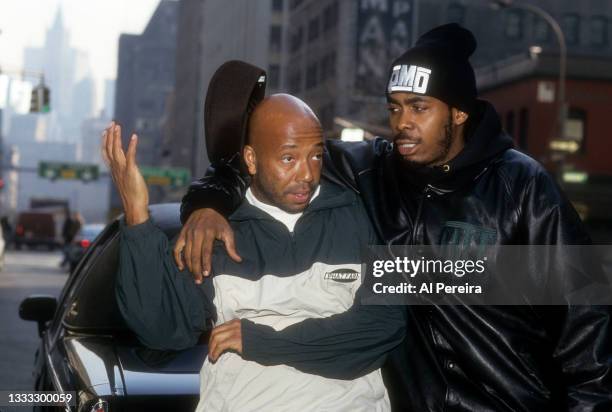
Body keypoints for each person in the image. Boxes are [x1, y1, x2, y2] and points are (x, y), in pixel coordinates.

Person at [176, 24, 612, 411]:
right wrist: (205, 208)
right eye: (395, 107)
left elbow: (587, 315)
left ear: (458, 112)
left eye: (419, 107)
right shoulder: (374, 170)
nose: (402, 122)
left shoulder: (521, 185)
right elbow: (255, 163)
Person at [104, 94, 399, 411]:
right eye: (289, 158)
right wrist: (136, 216)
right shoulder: (215, 237)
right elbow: (161, 332)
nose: (306, 174)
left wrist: (262, 341)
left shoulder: (364, 217)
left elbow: (384, 326)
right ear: (251, 159)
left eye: (315, 156)